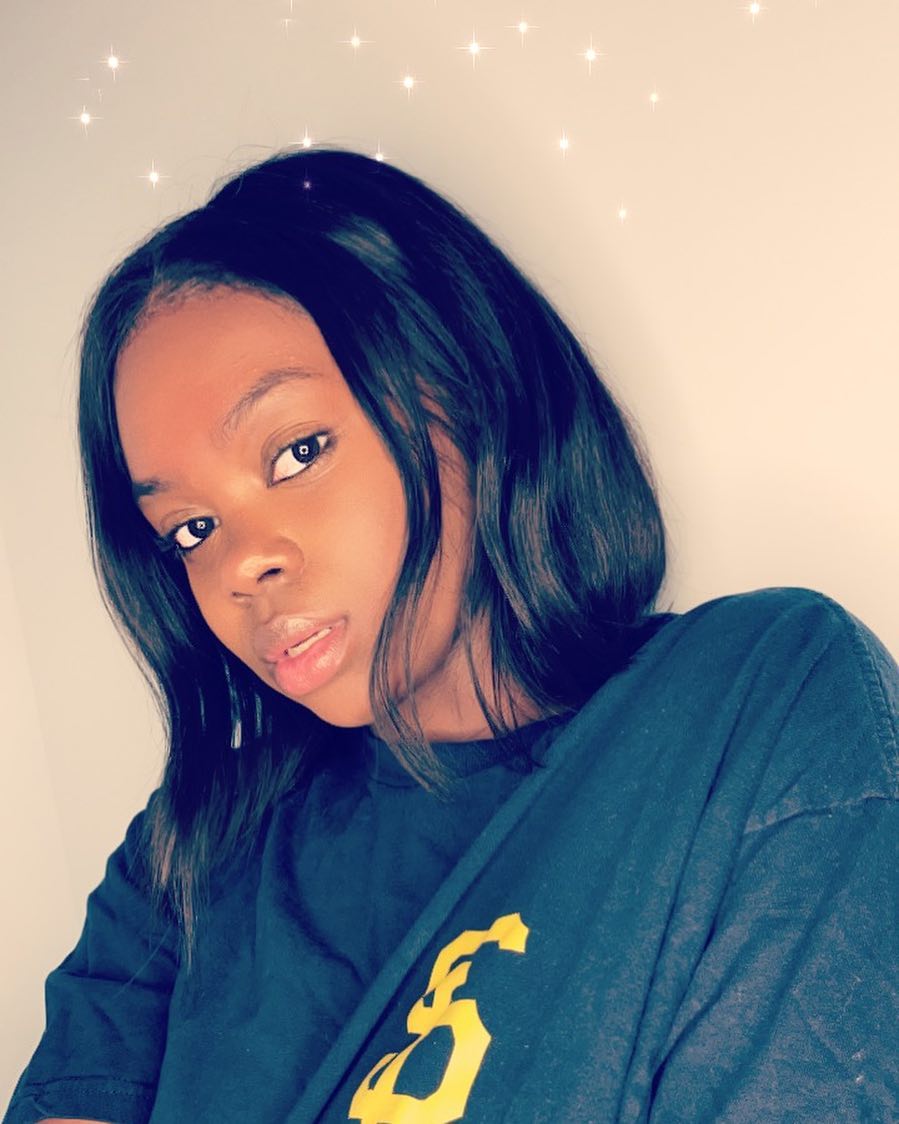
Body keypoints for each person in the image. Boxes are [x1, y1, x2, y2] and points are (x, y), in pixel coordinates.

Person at [4, 146, 896, 1124]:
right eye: (189, 528)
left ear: (468, 390)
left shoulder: (746, 706)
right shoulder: (195, 845)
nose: (237, 565)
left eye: (295, 451)